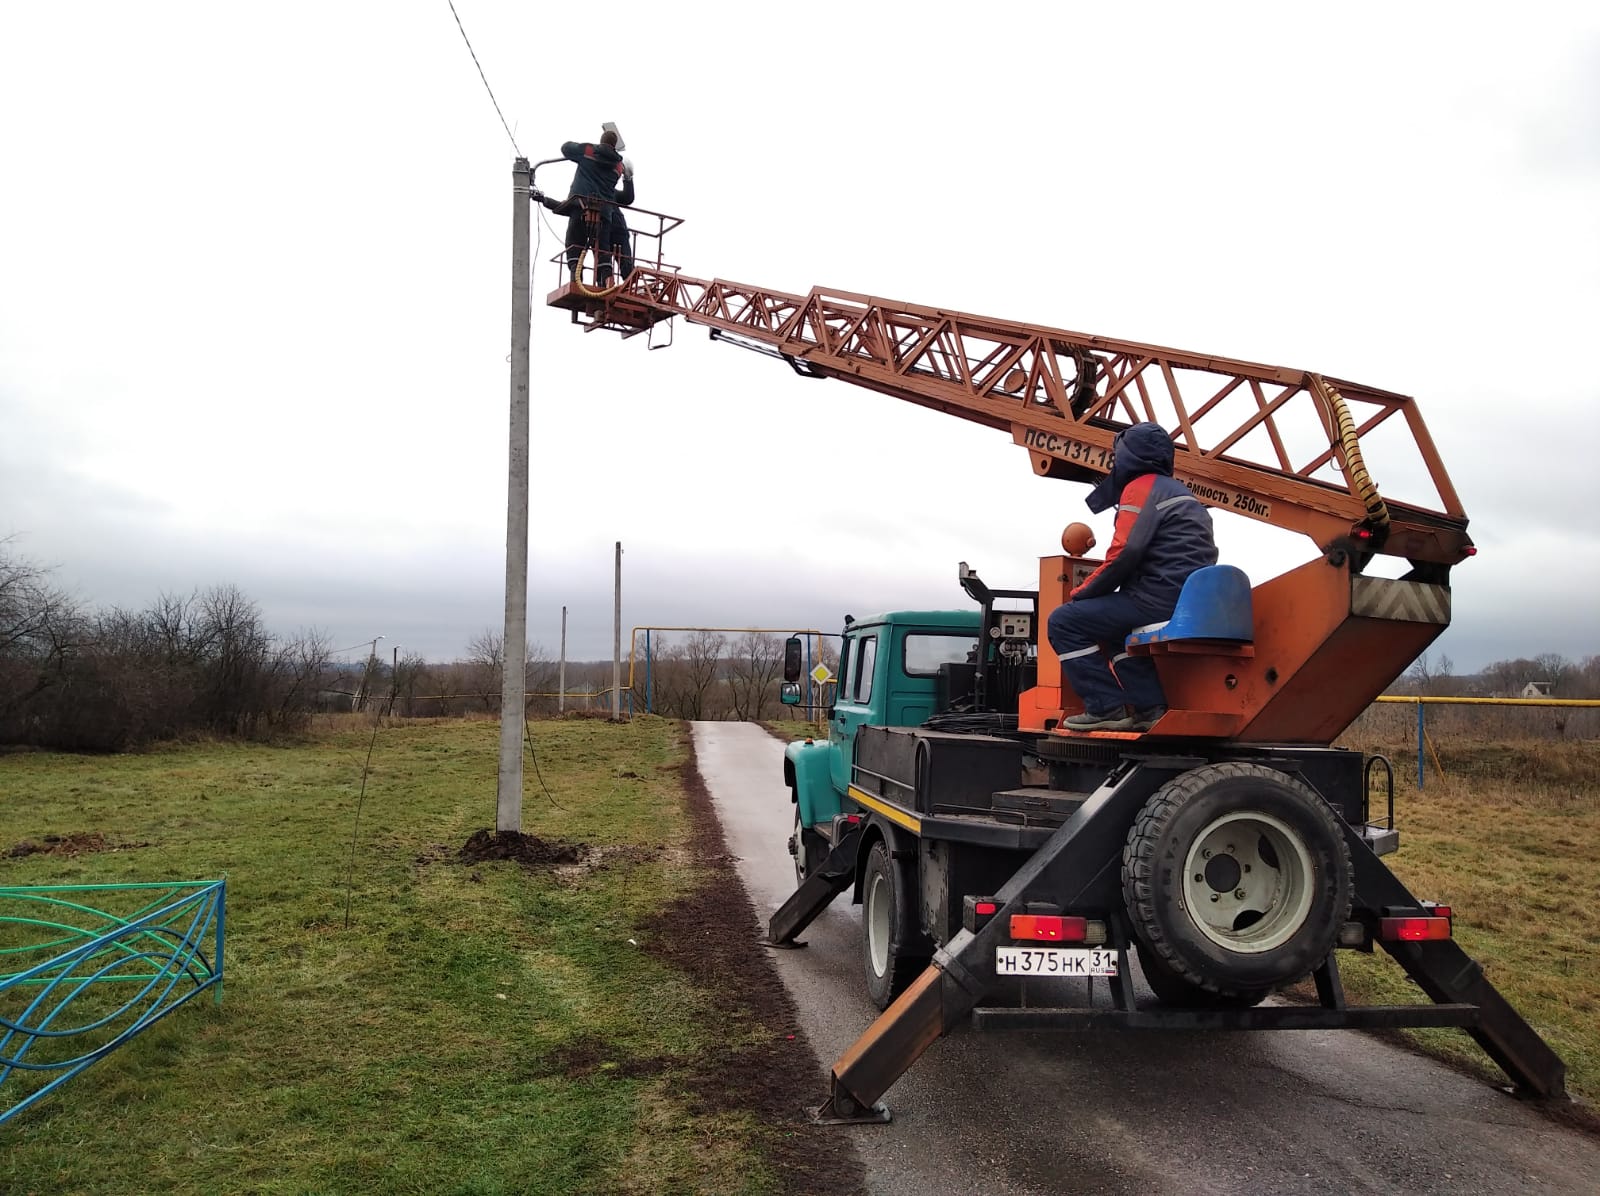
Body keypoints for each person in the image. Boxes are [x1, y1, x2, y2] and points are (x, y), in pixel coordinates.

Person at [1046, 422, 1217, 731]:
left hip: (1155, 597)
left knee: (1063, 621)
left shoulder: (1141, 488)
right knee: (1116, 631)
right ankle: (1149, 708)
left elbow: (1125, 551)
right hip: (1185, 599)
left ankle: (1104, 707)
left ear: (1128, 456)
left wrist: (1083, 592)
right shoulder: (1185, 496)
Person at [555, 128, 626, 283]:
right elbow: (625, 196)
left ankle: (576, 279)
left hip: (579, 206)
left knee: (574, 243)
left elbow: (565, 147)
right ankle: (607, 282)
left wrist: (585, 149)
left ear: (601, 140)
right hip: (604, 213)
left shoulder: (588, 151)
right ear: (614, 145)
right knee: (602, 249)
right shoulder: (619, 166)